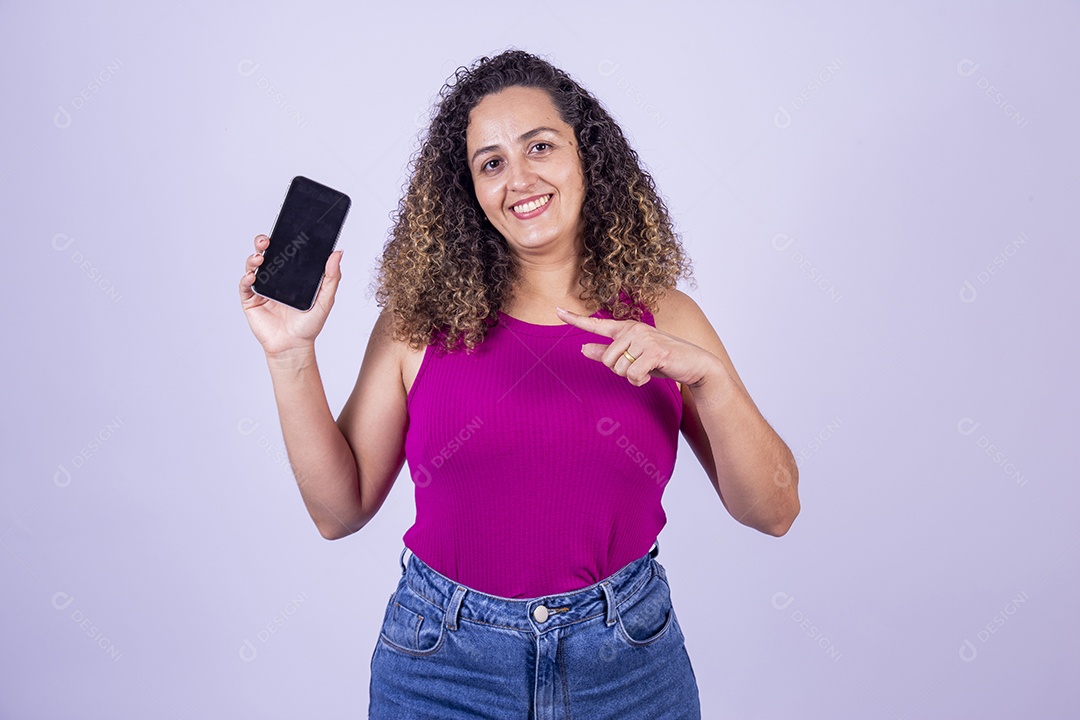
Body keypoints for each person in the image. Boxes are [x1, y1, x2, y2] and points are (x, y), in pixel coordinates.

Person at [239, 49, 799, 720]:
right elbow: (339, 511)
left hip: (626, 663)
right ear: (469, 191)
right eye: (492, 162)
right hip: (443, 666)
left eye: (540, 145)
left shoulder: (667, 317)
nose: (520, 178)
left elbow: (774, 511)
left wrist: (708, 380)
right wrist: (290, 354)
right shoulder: (416, 326)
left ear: (588, 156)